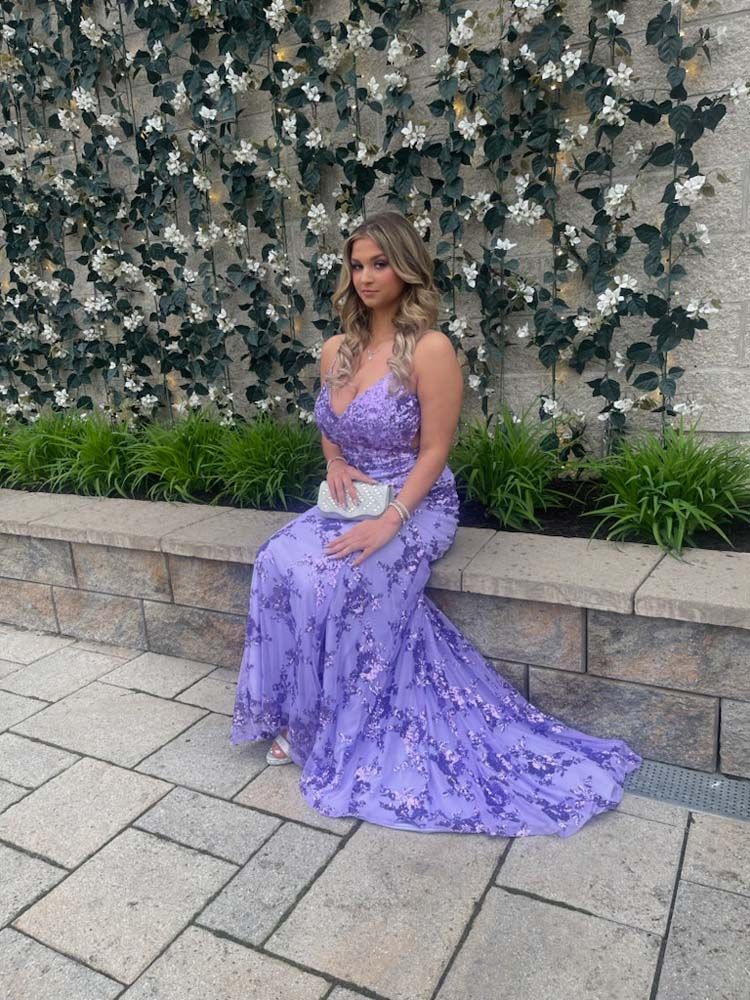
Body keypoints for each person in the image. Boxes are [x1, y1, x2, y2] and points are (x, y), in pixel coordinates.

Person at [231, 210, 642, 837]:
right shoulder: (336, 349)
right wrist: (336, 462)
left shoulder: (429, 349)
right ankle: (296, 710)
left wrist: (391, 521)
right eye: (357, 264)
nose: (366, 276)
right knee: (276, 560)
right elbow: (327, 423)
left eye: (380, 263)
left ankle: (337, 728)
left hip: (416, 503)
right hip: (351, 499)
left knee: (342, 577)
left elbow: (435, 451)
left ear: (406, 268)